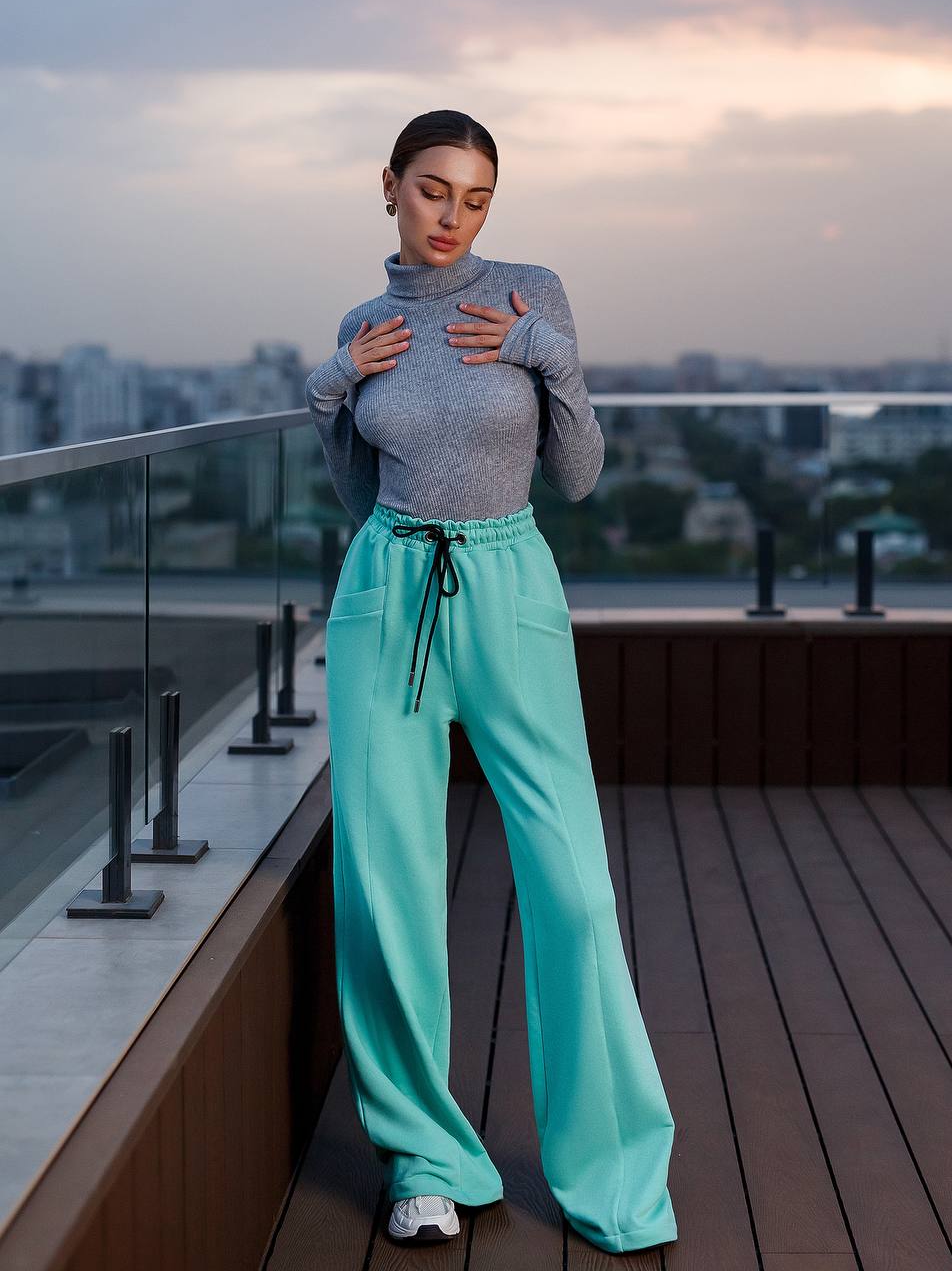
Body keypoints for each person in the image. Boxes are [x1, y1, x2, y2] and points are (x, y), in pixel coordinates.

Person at [304, 108, 677, 1255]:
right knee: (388, 881)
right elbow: (355, 492)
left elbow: (577, 472)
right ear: (387, 186)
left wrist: (549, 358)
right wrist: (330, 387)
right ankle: (424, 1157)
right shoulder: (364, 324)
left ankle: (615, 1171)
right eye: (431, 190)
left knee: (570, 878)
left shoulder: (529, 295)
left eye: (473, 198)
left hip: (510, 582)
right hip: (388, 592)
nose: (452, 217)